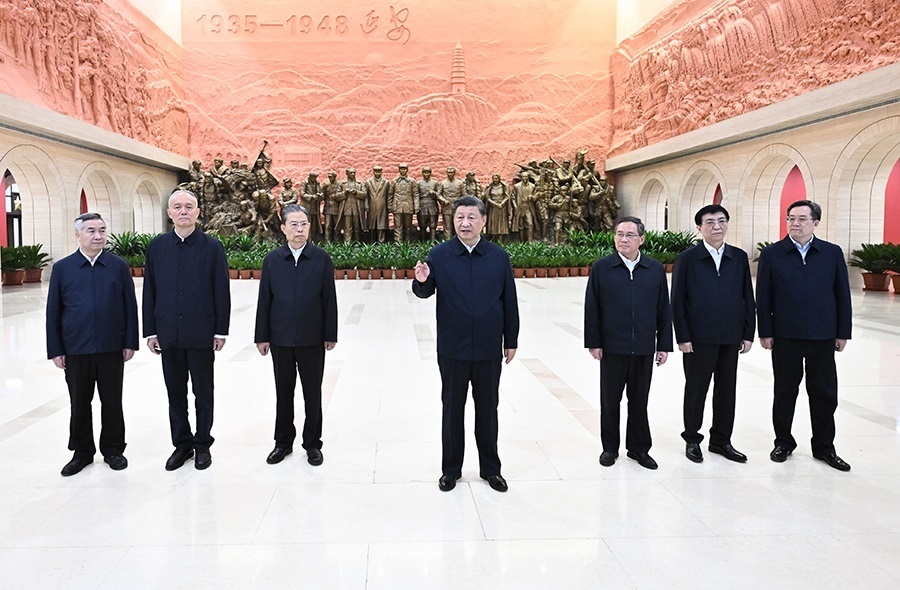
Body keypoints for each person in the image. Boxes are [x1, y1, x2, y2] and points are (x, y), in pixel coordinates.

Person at [413, 196, 519, 493]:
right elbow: (424, 291)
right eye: (460, 217)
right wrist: (421, 280)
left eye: (471, 217)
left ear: (483, 221)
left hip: (488, 348)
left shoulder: (498, 257)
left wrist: (511, 339)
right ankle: (451, 470)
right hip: (453, 348)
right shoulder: (439, 255)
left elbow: (509, 301)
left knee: (488, 410)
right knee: (452, 410)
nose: (465, 223)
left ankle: (491, 469)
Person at [756, 199, 852, 471]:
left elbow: (842, 295)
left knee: (824, 393)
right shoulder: (773, 254)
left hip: (823, 335)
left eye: (802, 219)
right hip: (785, 335)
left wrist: (842, 332)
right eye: (791, 218)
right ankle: (783, 442)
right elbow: (763, 296)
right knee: (785, 391)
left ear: (815, 223)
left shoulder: (831, 253)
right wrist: (766, 331)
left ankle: (824, 447)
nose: (795, 223)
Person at [143, 189, 231, 471]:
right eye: (178, 207)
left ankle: (203, 444)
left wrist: (220, 331)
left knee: (203, 393)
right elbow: (150, 290)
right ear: (169, 213)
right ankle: (182, 445)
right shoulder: (157, 247)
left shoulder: (212, 247)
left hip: (201, 332)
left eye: (189, 206)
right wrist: (150, 331)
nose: (183, 211)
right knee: (175, 393)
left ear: (197, 212)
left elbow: (221, 291)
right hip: (168, 333)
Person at [46, 213, 139, 476]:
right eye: (91, 231)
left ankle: (113, 449)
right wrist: (56, 349)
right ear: (77, 235)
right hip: (76, 347)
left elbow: (130, 307)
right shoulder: (63, 268)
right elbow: (54, 311)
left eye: (102, 230)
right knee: (79, 402)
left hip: (111, 346)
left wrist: (130, 342)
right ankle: (82, 452)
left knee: (112, 400)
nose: (98, 236)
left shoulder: (118, 266)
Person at [584, 216, 672, 470]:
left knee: (639, 400)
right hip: (612, 347)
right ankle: (610, 448)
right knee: (610, 401)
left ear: (641, 239)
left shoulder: (654, 269)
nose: (623, 239)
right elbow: (592, 307)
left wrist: (663, 344)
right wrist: (594, 342)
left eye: (630, 235)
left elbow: (663, 309)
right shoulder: (602, 268)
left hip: (643, 347)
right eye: (619, 234)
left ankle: (638, 448)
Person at [671, 205, 755, 464]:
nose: (717, 226)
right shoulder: (687, 259)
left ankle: (721, 440)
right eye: (710, 222)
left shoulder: (738, 257)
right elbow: (678, 300)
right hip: (698, 338)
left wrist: (748, 333)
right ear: (700, 227)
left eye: (721, 221)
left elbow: (747, 296)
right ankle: (692, 439)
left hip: (730, 336)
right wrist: (683, 336)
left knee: (726, 390)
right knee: (696, 390)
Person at [255, 204, 338, 466]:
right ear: (283, 228)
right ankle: (282, 443)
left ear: (309, 227)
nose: (299, 229)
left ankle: (312, 444)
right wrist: (262, 336)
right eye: (294, 224)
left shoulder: (321, 259)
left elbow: (329, 299)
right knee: (283, 392)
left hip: (312, 338)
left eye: (303, 224)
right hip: (280, 338)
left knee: (312, 393)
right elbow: (264, 300)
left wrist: (330, 333)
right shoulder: (272, 260)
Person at [365, 165, 390, 242]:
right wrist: (366, 205)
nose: (377, 173)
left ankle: (381, 241)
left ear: (381, 172)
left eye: (379, 172)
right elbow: (366, 195)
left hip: (382, 206)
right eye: (376, 172)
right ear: (373, 172)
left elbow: (388, 196)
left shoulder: (386, 182)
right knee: (372, 224)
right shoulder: (368, 182)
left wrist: (389, 206)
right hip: (372, 206)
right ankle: (372, 240)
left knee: (381, 224)